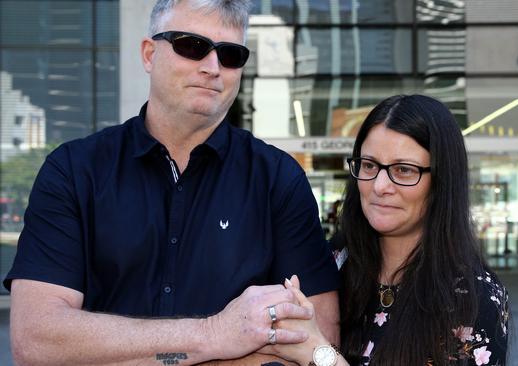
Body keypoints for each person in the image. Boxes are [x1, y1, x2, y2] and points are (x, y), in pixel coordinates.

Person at [3, 0, 339, 365]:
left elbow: (317, 343)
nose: (212, 68)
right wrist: (216, 334)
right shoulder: (73, 170)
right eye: (191, 46)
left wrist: (112, 348)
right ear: (149, 54)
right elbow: (37, 340)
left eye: (230, 55)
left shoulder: (279, 180)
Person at [263, 95, 510, 366]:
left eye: (403, 170)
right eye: (369, 165)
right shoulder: (332, 262)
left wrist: (319, 353)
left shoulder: (474, 297)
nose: (379, 186)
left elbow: (312, 349)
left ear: (442, 180)